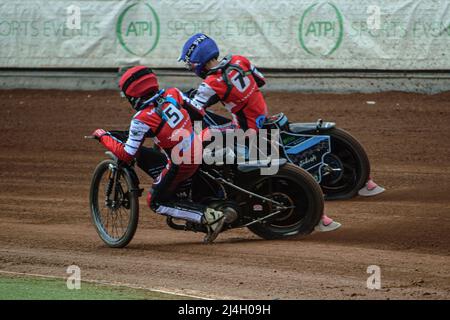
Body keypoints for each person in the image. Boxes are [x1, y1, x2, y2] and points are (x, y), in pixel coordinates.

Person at [178, 33, 341, 232]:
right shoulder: (240, 60)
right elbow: (260, 81)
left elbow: (194, 110)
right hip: (262, 119)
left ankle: (217, 191)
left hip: (245, 131)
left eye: (190, 64)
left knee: (197, 140)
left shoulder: (211, 83)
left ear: (198, 62)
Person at [91, 65, 229, 243]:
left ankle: (209, 217)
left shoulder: (142, 118)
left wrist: (102, 135)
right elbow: (198, 113)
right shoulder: (173, 93)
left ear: (133, 95)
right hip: (199, 145)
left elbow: (127, 155)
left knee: (155, 201)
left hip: (182, 162)